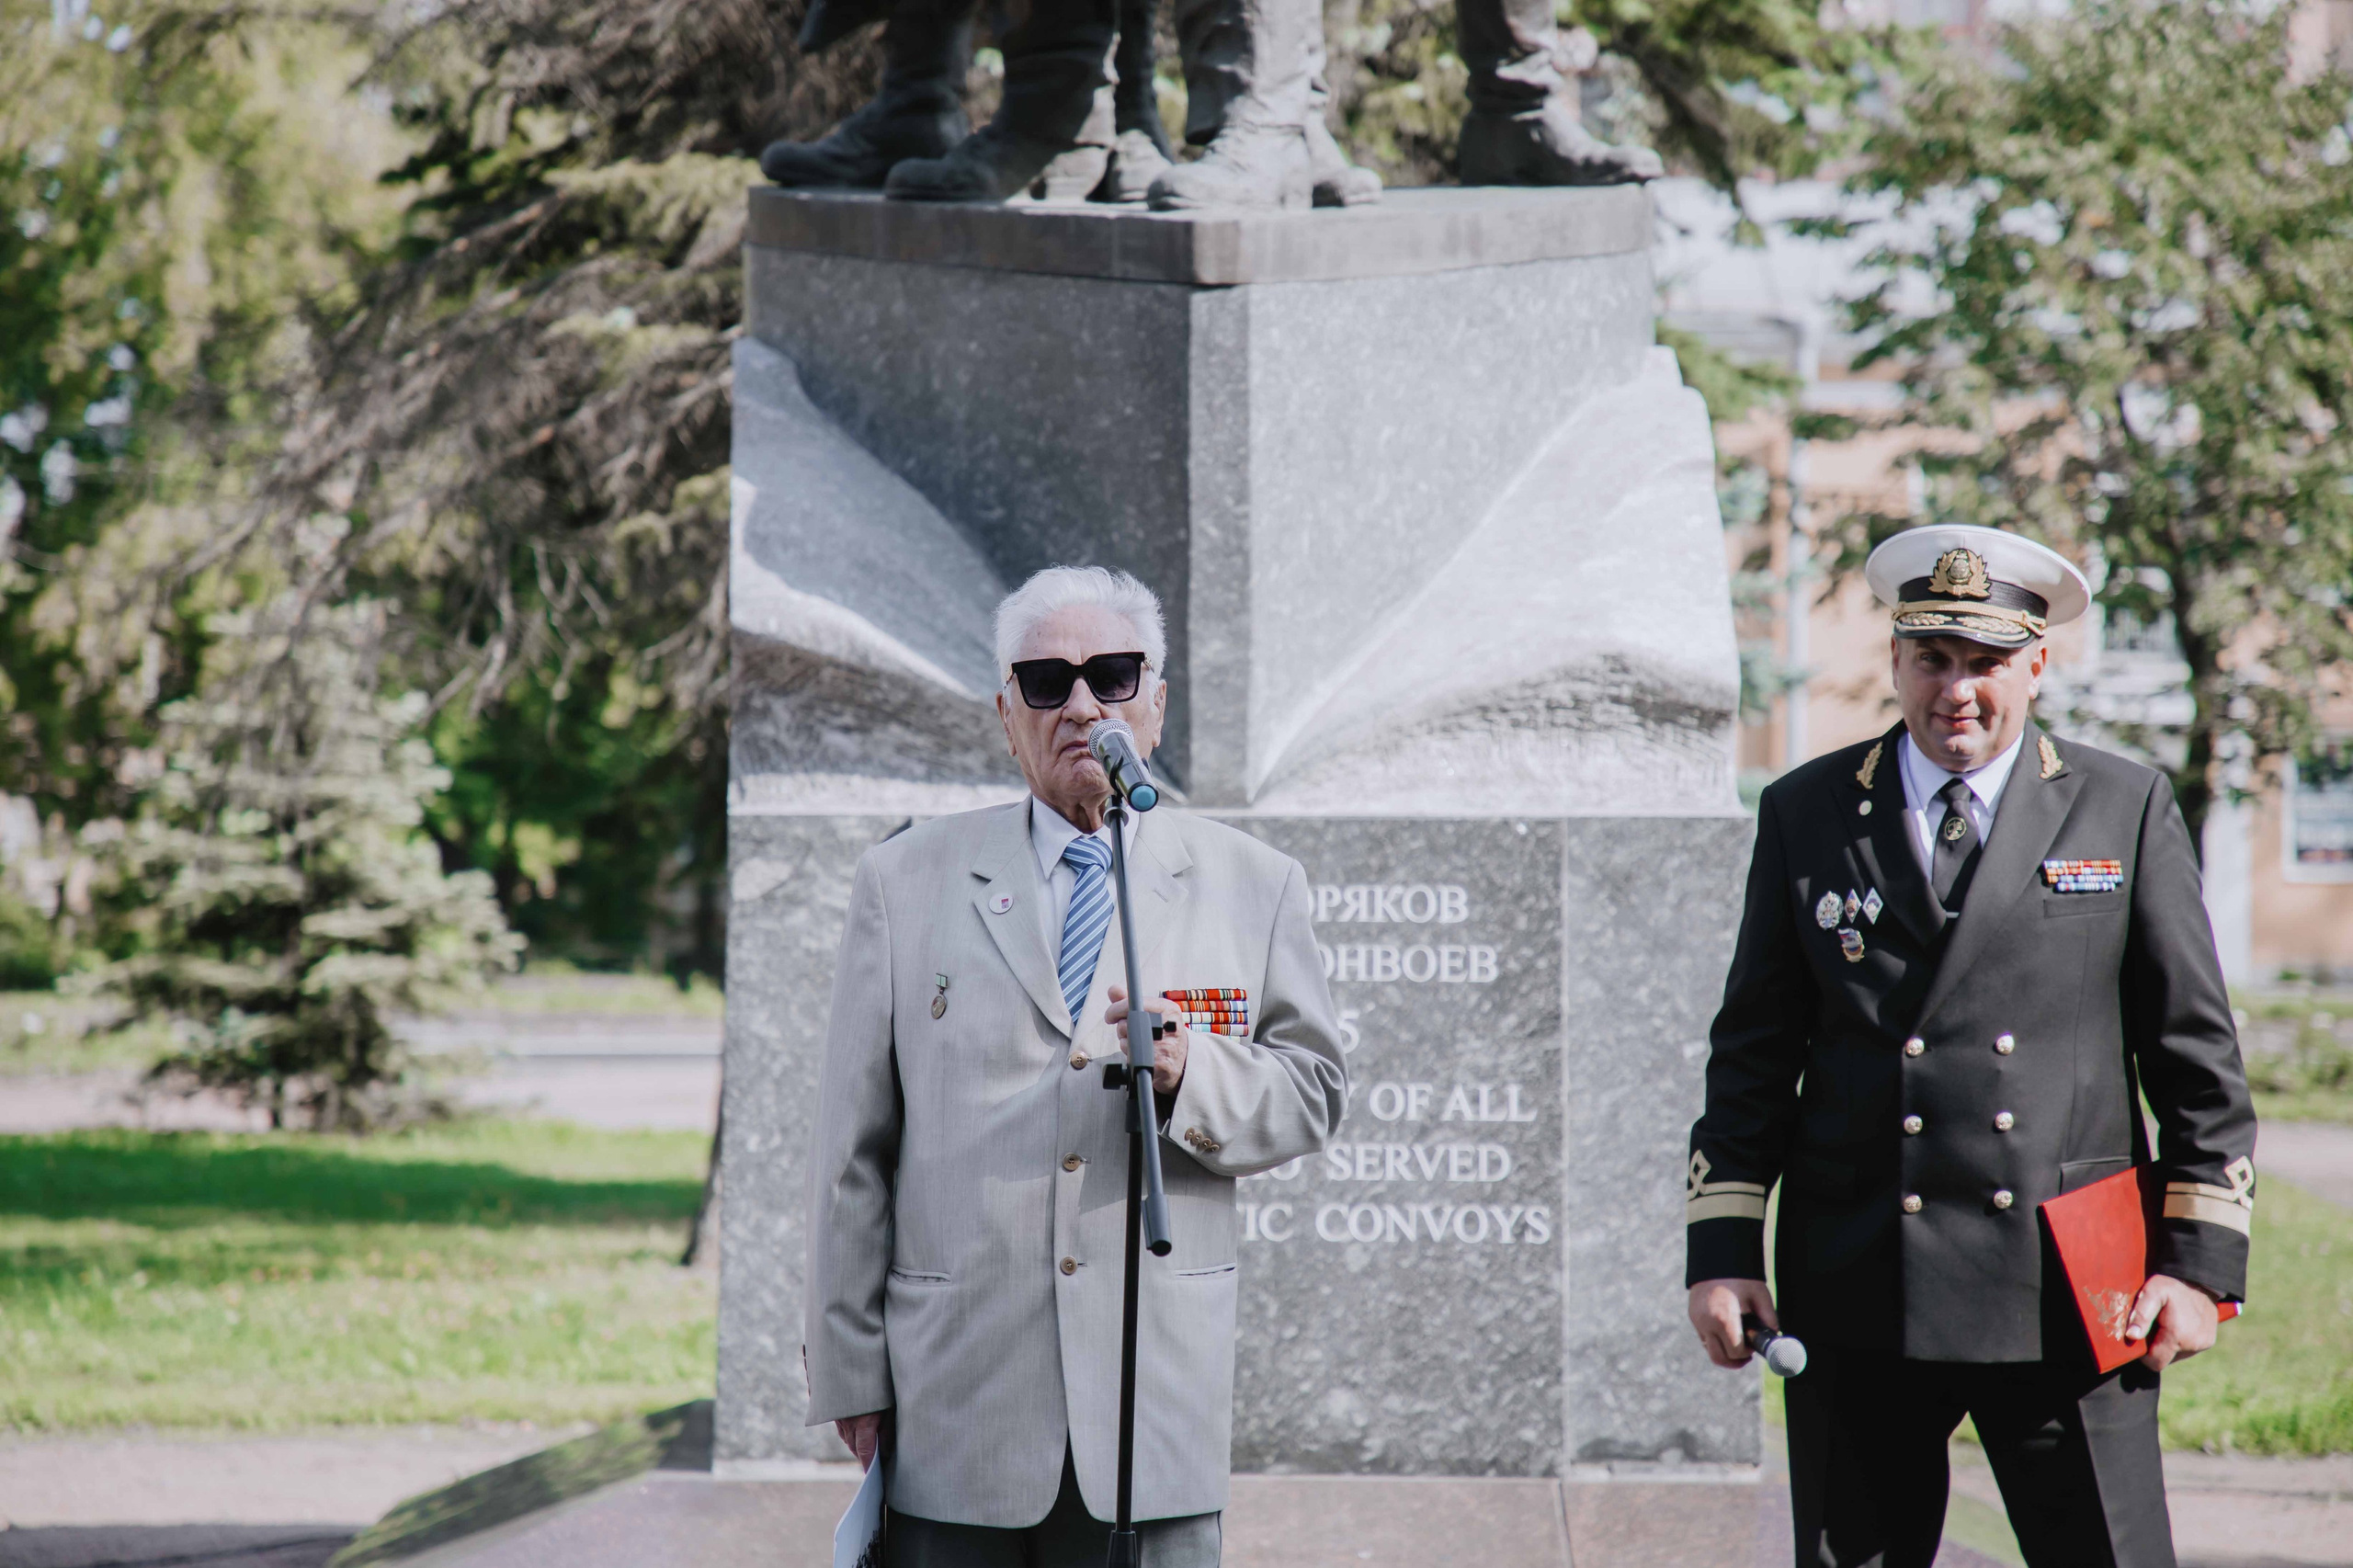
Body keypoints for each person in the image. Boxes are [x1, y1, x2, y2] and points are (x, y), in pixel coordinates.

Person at [1685, 524, 2256, 1568]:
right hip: (1860, 1276)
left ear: (2035, 665)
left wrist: (2197, 1264)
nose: (1958, 690)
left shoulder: (2119, 805)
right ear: (1894, 660)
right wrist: (1722, 1251)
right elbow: (1755, 1052)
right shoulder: (1807, 811)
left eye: (1986, 662)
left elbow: (2194, 1060)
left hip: (2070, 1286)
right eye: (1933, 658)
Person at [803, 564, 1348, 1565]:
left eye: (1111, 673)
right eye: (1047, 682)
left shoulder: (1252, 884)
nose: (1083, 704)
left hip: (1151, 1404)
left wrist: (1196, 1073)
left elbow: (1314, 1088)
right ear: (1006, 710)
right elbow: (853, 1149)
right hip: (958, 1403)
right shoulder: (905, 879)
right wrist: (849, 1369)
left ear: (1156, 702)